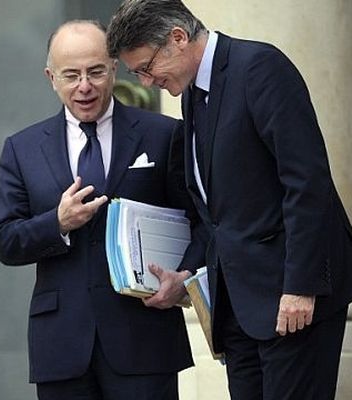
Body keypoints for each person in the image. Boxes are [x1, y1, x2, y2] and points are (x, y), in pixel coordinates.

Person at [107, 1, 352, 399]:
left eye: (146, 68)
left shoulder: (259, 68)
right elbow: (217, 210)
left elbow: (307, 182)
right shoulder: (192, 92)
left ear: (178, 38)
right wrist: (187, 272)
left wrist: (301, 286)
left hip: (289, 299)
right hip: (238, 307)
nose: (147, 83)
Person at [0, 20, 206, 400]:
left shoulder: (163, 134)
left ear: (113, 68)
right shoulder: (22, 148)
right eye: (71, 75)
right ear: (50, 78)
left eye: (95, 71)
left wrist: (184, 276)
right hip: (62, 345)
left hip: (145, 338)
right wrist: (57, 223)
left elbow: (203, 222)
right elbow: (4, 240)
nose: (84, 86)